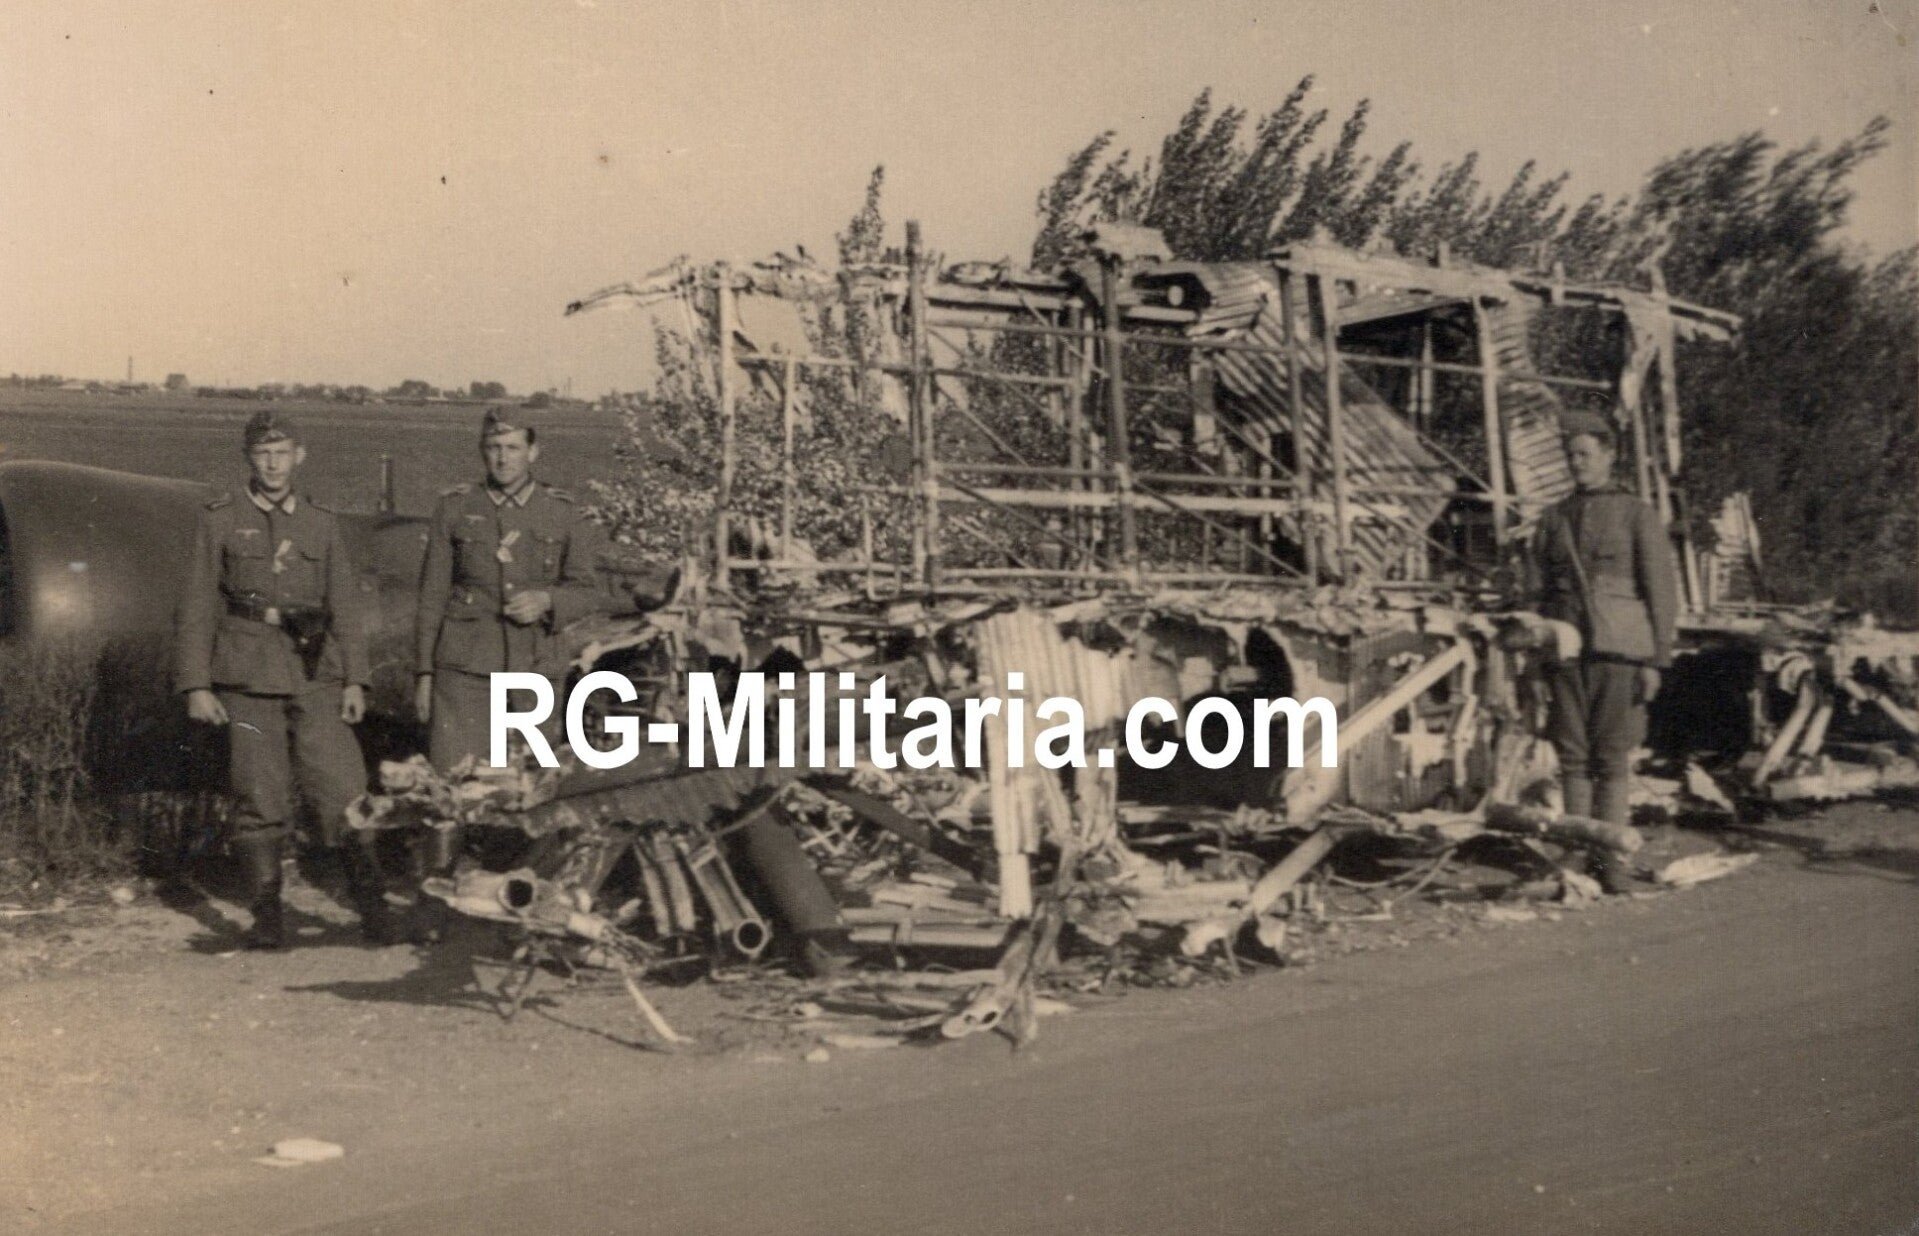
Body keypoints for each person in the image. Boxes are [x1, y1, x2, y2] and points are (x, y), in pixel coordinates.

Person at [173, 410, 395, 948]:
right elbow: (198, 605)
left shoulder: (321, 521)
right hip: (247, 680)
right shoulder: (221, 518)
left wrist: (355, 682)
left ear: (300, 456)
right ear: (249, 458)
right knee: (258, 798)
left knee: (345, 794)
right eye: (262, 453)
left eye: (282, 452)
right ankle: (267, 916)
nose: (273, 464)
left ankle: (374, 911)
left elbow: (345, 607)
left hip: (318, 676)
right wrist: (196, 685)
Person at [412, 407, 612, 870]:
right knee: (450, 787)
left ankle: (512, 893)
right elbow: (431, 597)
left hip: (534, 667)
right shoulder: (456, 507)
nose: (502, 459)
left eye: (513, 448)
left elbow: (587, 590)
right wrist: (423, 672)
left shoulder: (563, 512)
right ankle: (439, 893)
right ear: (483, 451)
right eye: (494, 448)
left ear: (533, 451)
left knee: (526, 787)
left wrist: (547, 600)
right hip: (462, 671)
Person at [1531, 409, 1679, 892]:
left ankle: (1611, 862)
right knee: (1571, 756)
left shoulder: (1636, 513)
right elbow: (1539, 592)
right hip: (1565, 652)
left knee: (1612, 758)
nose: (1577, 464)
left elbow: (1659, 589)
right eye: (1570, 455)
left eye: (1585, 454)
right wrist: (1537, 655)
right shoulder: (1553, 518)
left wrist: (1657, 660)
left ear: (1609, 455)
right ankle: (1575, 858)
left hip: (1620, 652)